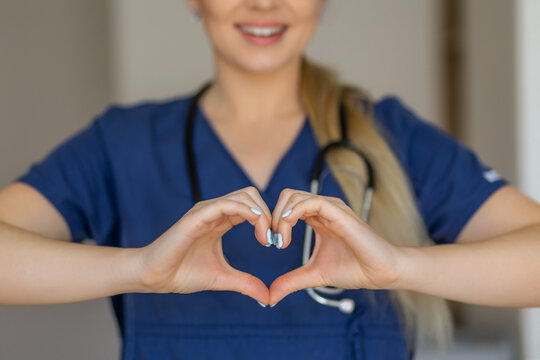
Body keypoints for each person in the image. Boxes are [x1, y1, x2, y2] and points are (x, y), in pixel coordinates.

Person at [1, 0, 539, 359]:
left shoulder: (393, 135)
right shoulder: (122, 143)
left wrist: (401, 265)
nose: (264, 2)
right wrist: (138, 268)